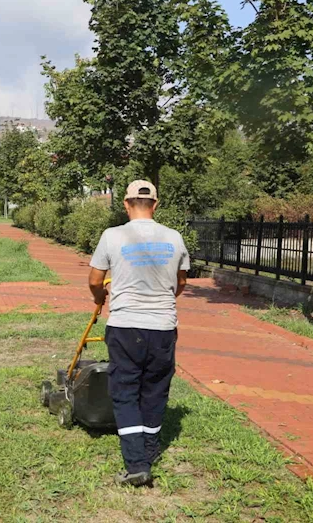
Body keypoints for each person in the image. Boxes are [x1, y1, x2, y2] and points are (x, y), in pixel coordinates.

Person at [87, 180, 190, 487]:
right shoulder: (174, 237)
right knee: (156, 389)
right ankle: (148, 451)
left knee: (125, 391)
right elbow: (180, 283)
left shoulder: (112, 235)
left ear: (126, 204)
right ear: (155, 205)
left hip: (125, 325)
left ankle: (136, 465)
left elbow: (95, 279)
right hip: (163, 326)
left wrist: (99, 297)